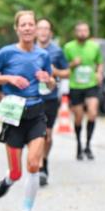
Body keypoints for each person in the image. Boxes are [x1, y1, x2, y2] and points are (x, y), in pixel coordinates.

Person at [0, 10, 55, 211]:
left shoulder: (43, 55)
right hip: (13, 114)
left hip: (36, 113)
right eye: (23, 24)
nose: (27, 28)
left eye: (30, 24)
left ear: (35, 28)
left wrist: (47, 79)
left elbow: (51, 84)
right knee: (16, 172)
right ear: (17, 29)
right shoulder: (6, 53)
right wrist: (8, 78)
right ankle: (8, 180)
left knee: (34, 165)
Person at [35, 18, 70, 186]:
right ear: (35, 31)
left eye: (46, 28)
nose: (43, 31)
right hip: (32, 99)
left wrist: (55, 71)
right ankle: (39, 166)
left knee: (47, 136)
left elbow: (67, 72)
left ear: (50, 32)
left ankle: (44, 162)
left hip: (49, 98)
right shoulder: (28, 50)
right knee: (36, 135)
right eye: (40, 28)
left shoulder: (57, 51)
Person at [63, 22, 103, 160]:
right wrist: (72, 64)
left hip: (91, 85)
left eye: (85, 30)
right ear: (75, 32)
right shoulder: (68, 47)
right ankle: (79, 145)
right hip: (75, 86)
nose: (82, 33)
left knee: (92, 113)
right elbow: (62, 67)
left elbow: (100, 62)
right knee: (79, 117)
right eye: (79, 30)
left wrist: (99, 73)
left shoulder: (95, 46)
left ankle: (88, 145)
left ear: (88, 32)